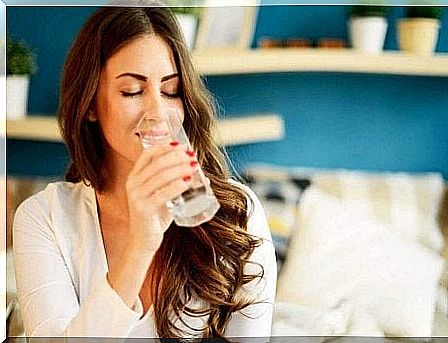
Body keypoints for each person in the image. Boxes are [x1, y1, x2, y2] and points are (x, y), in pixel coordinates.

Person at [13, 6, 277, 339]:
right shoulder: (45, 218)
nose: (158, 111)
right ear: (91, 104)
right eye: (132, 91)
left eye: (171, 91)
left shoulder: (237, 214)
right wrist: (140, 245)